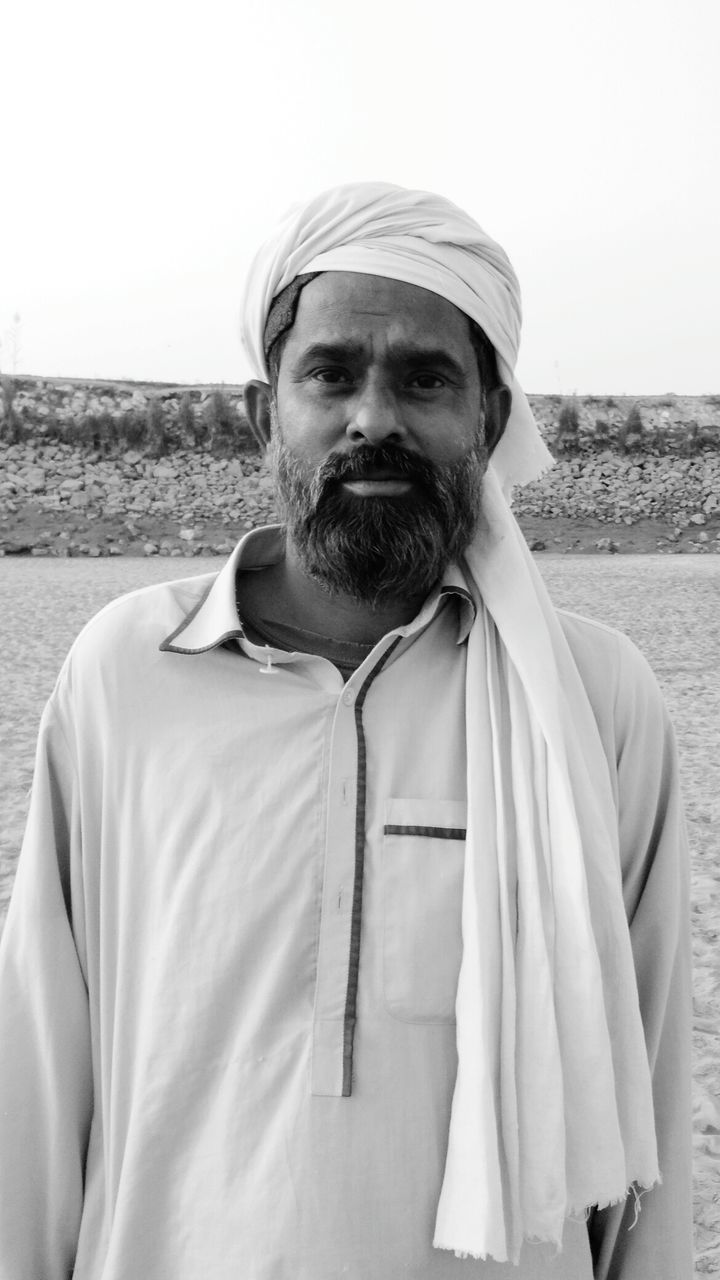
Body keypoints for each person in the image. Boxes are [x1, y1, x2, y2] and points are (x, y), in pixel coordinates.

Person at [0, 182, 692, 1279]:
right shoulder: (126, 673)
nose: (376, 416)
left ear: (492, 417)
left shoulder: (589, 698)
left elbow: (650, 1092)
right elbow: (37, 1074)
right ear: (260, 409)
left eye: (426, 377)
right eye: (331, 373)